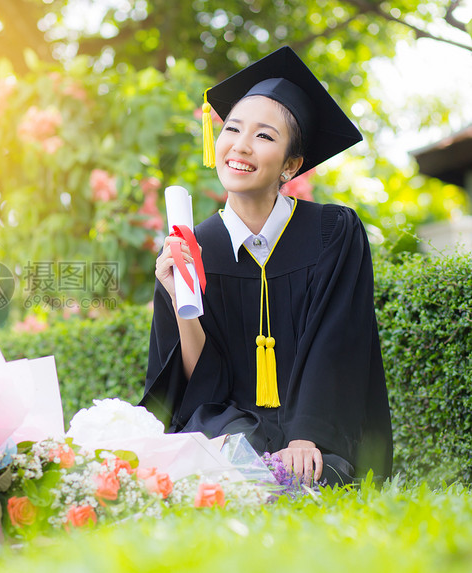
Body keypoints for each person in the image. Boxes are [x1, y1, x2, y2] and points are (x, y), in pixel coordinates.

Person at [140, 46, 392, 487]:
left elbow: (337, 342)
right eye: (232, 128)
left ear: (291, 165)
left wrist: (307, 435)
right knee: (222, 466)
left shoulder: (332, 232)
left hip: (314, 441)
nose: (240, 145)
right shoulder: (192, 248)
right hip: (229, 432)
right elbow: (199, 389)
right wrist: (183, 298)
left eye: (264, 136)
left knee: (305, 475)